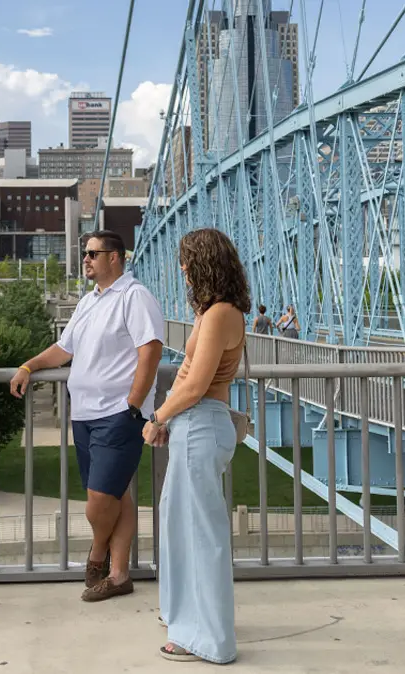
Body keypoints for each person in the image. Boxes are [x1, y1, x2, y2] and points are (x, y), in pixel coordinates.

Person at [10, 230, 163, 602]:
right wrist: (29, 366)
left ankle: (96, 556)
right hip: (85, 414)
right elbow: (64, 349)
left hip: (118, 414)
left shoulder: (134, 297)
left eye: (93, 253)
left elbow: (151, 351)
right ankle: (119, 574)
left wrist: (133, 405)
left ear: (116, 257)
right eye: (85, 253)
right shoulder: (89, 302)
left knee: (99, 499)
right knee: (115, 495)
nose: (86, 259)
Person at [142, 227, 250, 664]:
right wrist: (172, 417)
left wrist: (158, 417)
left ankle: (209, 638)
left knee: (200, 534)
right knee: (178, 525)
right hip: (194, 425)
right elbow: (190, 377)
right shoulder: (215, 311)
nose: (182, 268)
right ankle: (185, 616)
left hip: (201, 425)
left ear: (205, 262)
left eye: (187, 260)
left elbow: (197, 384)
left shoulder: (222, 313)